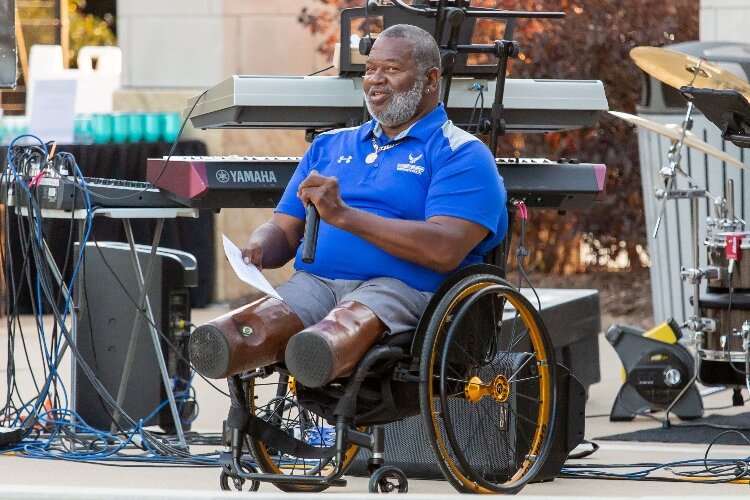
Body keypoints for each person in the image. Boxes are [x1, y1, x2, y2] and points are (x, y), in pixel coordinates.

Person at [191, 23, 508, 388]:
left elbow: (444, 249)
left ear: (431, 79)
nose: (375, 80)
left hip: (401, 289)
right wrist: (260, 247)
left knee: (337, 332)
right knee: (243, 332)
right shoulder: (329, 146)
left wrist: (345, 216)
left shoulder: (461, 153)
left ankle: (317, 356)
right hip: (317, 283)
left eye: (391, 69)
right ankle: (235, 352)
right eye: (370, 69)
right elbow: (284, 228)